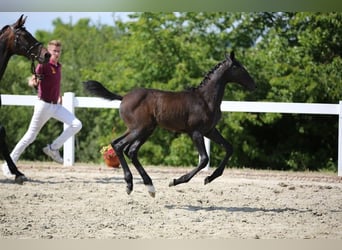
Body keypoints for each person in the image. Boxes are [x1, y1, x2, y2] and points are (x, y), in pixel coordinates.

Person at [2, 40, 82, 177]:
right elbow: (33, 79)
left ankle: (53, 148)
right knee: (30, 137)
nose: (56, 53)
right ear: (48, 51)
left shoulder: (58, 66)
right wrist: (32, 82)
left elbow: (54, 83)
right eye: (54, 51)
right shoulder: (43, 65)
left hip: (55, 106)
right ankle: (8, 164)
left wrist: (59, 95)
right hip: (43, 106)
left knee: (77, 124)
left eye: (58, 51)